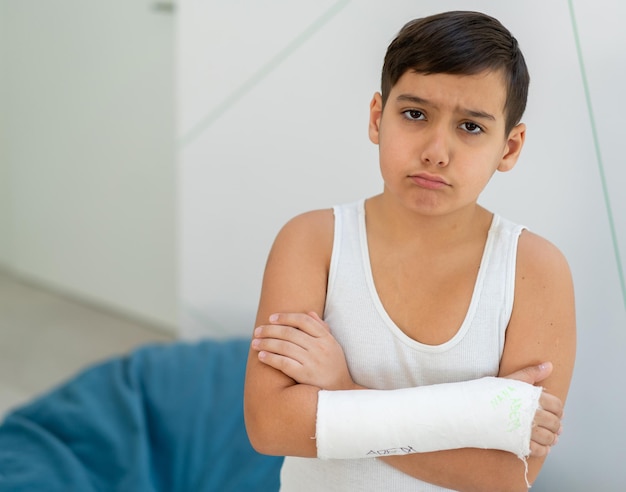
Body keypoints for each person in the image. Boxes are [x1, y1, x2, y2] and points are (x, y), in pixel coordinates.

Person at [244, 10, 576, 492]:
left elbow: (509, 474)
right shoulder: (312, 241)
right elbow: (270, 426)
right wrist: (474, 415)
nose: (436, 151)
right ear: (378, 117)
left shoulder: (535, 270)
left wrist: (340, 391)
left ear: (510, 147)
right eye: (415, 114)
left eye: (471, 127)